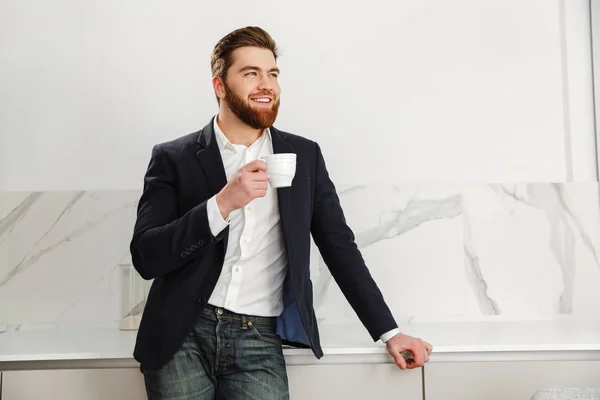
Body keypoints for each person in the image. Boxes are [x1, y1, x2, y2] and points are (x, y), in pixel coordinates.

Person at [130, 26, 432, 400]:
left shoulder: (304, 156)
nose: (265, 84)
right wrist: (223, 202)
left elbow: (339, 246)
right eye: (250, 73)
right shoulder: (173, 158)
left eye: (272, 74)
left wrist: (389, 331)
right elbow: (146, 256)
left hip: (259, 336)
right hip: (180, 336)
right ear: (219, 86)